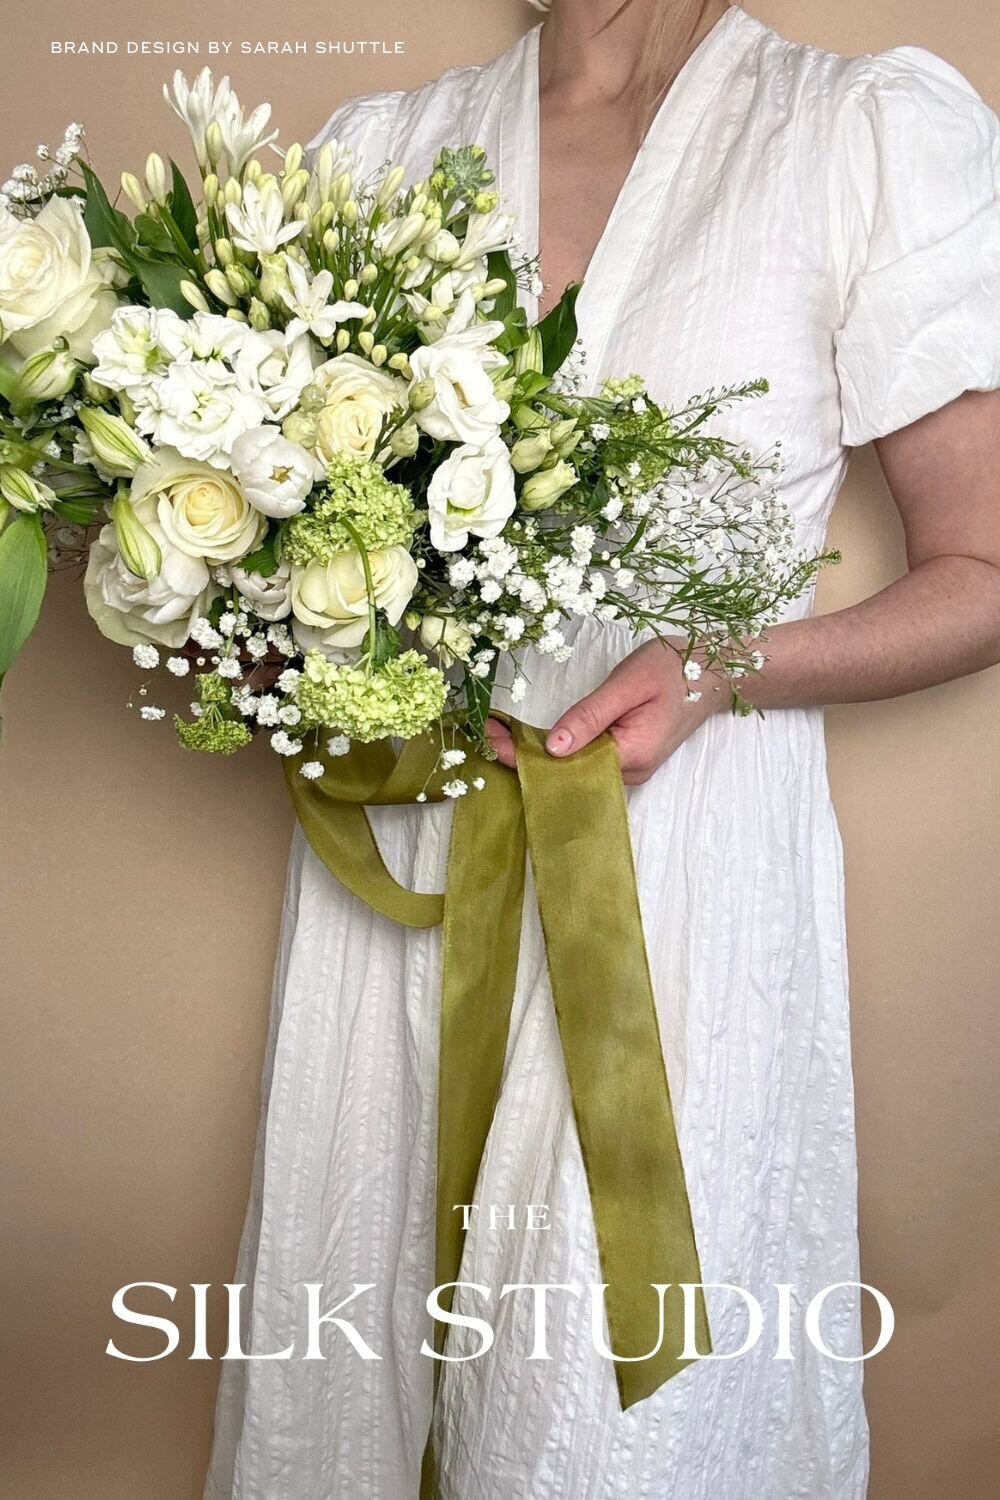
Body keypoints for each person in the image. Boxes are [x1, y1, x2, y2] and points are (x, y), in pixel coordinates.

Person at [204, 3, 1000, 1496]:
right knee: (361, 1343)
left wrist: (721, 665)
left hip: (673, 885)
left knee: (619, 1422)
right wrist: (248, 632)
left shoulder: (854, 136)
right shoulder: (375, 158)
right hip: (412, 867)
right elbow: (276, 553)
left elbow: (988, 569)